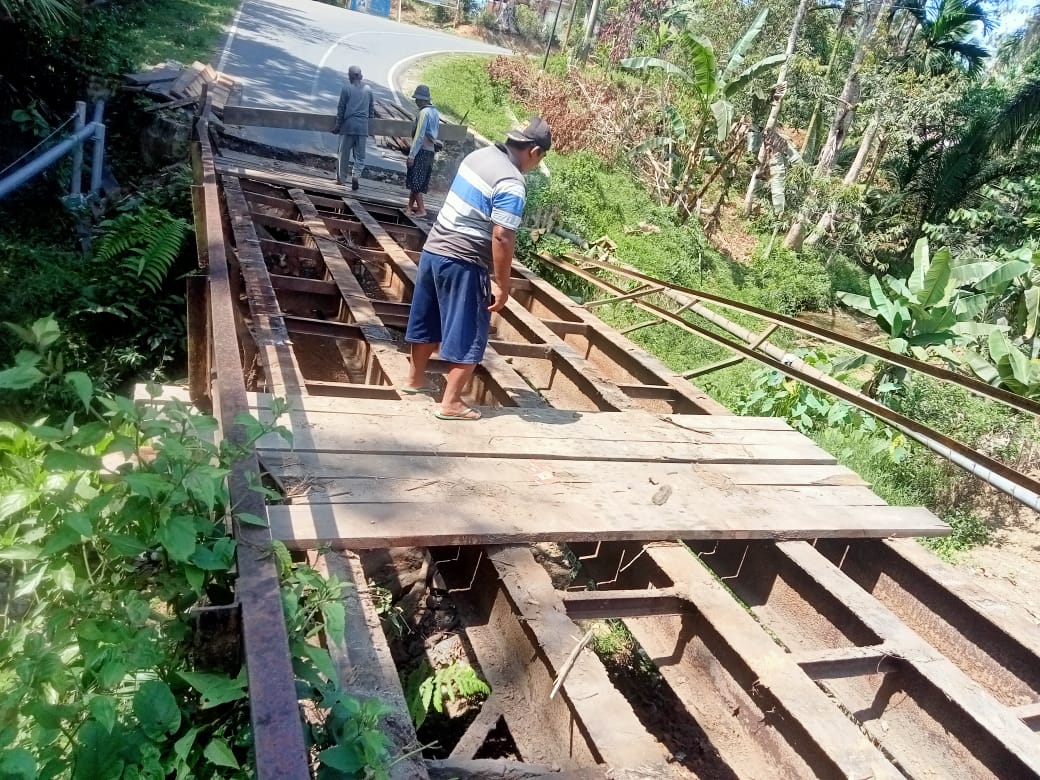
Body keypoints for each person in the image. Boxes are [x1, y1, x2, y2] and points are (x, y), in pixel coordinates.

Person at [404, 117, 552, 421]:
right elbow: (502, 235)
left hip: (434, 250)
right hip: (463, 260)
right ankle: (452, 403)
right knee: (470, 333)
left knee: (428, 320)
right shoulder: (512, 182)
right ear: (534, 151)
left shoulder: (478, 156)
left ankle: (415, 382)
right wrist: (502, 283)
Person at [332, 65, 374, 191]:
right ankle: (356, 175)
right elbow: (371, 109)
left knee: (343, 154)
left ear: (350, 75)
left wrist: (337, 126)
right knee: (360, 156)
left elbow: (341, 109)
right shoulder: (368, 89)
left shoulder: (346, 89)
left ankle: (341, 179)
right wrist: (369, 125)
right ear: (360, 76)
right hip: (362, 127)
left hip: (348, 125)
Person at [405, 85, 440, 219]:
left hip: (421, 150)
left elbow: (419, 136)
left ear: (422, 100)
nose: (416, 101)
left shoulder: (423, 113)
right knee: (417, 180)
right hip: (430, 151)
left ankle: (421, 209)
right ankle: (409, 207)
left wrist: (411, 155)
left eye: (417, 99)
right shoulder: (435, 113)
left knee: (416, 182)